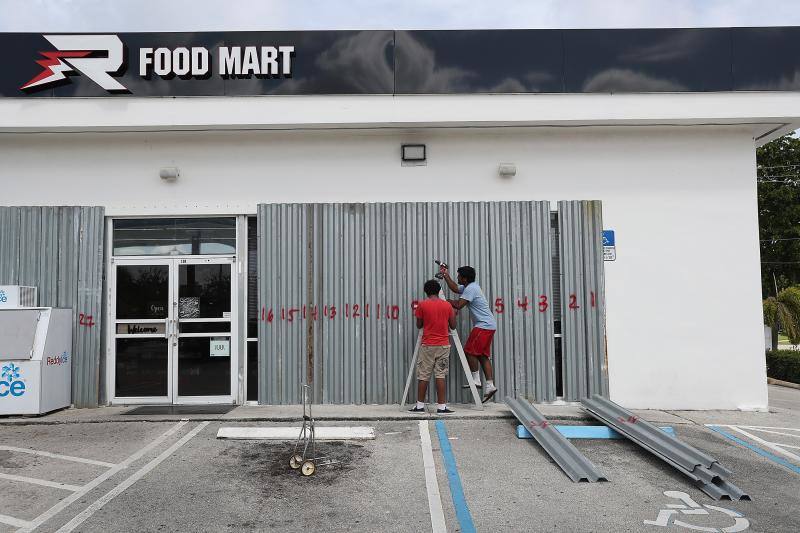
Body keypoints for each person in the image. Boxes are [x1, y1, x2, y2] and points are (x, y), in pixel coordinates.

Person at [439, 264, 498, 402]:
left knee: (470, 351)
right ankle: (490, 385)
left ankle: (476, 380)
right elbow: (454, 287)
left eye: (459, 276)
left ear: (465, 278)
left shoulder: (471, 289)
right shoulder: (469, 287)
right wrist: (445, 274)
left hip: (483, 325)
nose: (457, 277)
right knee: (482, 356)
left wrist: (445, 301)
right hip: (488, 325)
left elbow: (459, 305)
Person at [409, 279, 457, 414]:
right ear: (438, 291)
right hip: (443, 346)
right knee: (440, 375)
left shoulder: (422, 306)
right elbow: (453, 326)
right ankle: (442, 407)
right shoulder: (447, 306)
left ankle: (419, 406)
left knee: (424, 375)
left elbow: (419, 325)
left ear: (426, 292)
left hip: (428, 345)